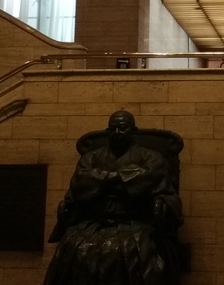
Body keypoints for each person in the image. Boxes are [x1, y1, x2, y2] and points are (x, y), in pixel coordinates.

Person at [44, 110, 183, 285]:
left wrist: (101, 179)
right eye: (113, 128)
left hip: (135, 223)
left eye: (123, 128)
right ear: (108, 131)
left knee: (124, 252)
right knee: (75, 247)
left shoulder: (152, 158)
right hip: (94, 222)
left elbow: (155, 183)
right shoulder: (91, 158)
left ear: (133, 131)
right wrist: (124, 178)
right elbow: (81, 182)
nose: (118, 132)